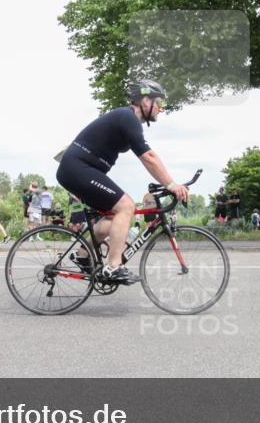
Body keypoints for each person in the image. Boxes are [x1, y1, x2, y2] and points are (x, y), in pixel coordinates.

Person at [55, 79, 188, 284]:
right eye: (159, 103)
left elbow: (146, 158)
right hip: (77, 168)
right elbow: (148, 157)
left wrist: (166, 183)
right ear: (145, 101)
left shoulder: (129, 121)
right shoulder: (127, 117)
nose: (161, 108)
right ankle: (113, 267)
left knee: (113, 218)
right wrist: (171, 184)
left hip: (80, 169)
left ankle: (82, 254)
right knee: (126, 206)